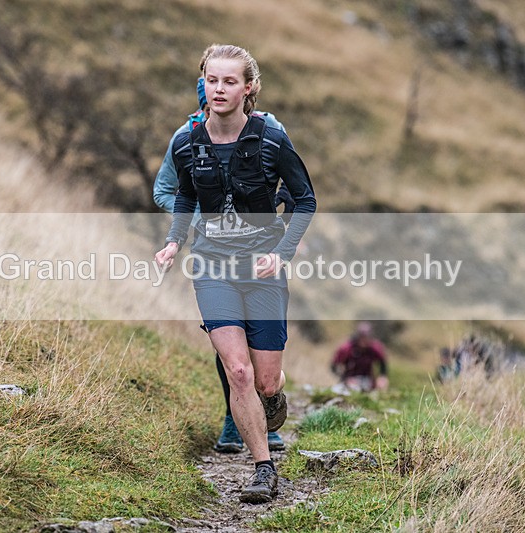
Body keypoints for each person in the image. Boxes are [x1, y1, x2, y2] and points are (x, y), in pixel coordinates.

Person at [155, 44, 316, 504]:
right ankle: (263, 468)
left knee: (265, 381)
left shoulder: (272, 139)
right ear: (202, 83)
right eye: (212, 80)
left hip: (262, 270)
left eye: (229, 81)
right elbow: (185, 195)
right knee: (239, 371)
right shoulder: (187, 142)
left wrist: (282, 254)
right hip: (212, 268)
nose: (219, 89)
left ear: (249, 88)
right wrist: (174, 240)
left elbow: (305, 200)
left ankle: (274, 397)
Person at [153, 78, 291, 455]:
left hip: (260, 254)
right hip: (213, 256)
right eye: (204, 107)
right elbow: (165, 190)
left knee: (263, 366)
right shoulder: (186, 137)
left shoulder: (268, 128)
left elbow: (293, 184)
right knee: (231, 350)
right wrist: (205, 218)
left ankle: (268, 399)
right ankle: (235, 419)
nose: (210, 114)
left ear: (242, 98)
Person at [331, 322, 389, 392]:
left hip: (367, 381)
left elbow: (382, 362)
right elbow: (334, 366)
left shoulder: (374, 348)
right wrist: (345, 379)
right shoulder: (346, 348)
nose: (364, 340)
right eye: (362, 337)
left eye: (367, 337)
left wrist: (382, 377)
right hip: (349, 380)